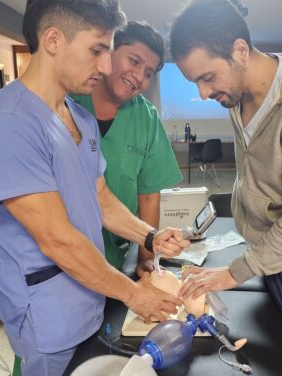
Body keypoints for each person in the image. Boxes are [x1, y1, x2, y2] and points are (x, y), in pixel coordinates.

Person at [0, 1, 189, 375]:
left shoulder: (78, 117)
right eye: (97, 50)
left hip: (90, 296)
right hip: (46, 310)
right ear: (53, 40)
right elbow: (57, 241)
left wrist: (149, 236)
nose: (105, 66)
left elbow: (100, 198)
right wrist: (135, 295)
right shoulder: (7, 124)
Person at [170, 1, 282, 375]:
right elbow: (255, 174)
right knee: (277, 355)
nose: (204, 93)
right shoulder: (238, 94)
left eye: (208, 77)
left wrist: (235, 271)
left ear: (239, 50)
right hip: (270, 251)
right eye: (195, 83)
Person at [71, 21, 182, 274]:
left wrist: (146, 258)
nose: (139, 77)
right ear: (108, 51)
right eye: (134, 61)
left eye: (148, 73)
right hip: (68, 254)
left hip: (117, 253)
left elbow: (148, 194)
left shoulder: (146, 117)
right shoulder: (68, 104)